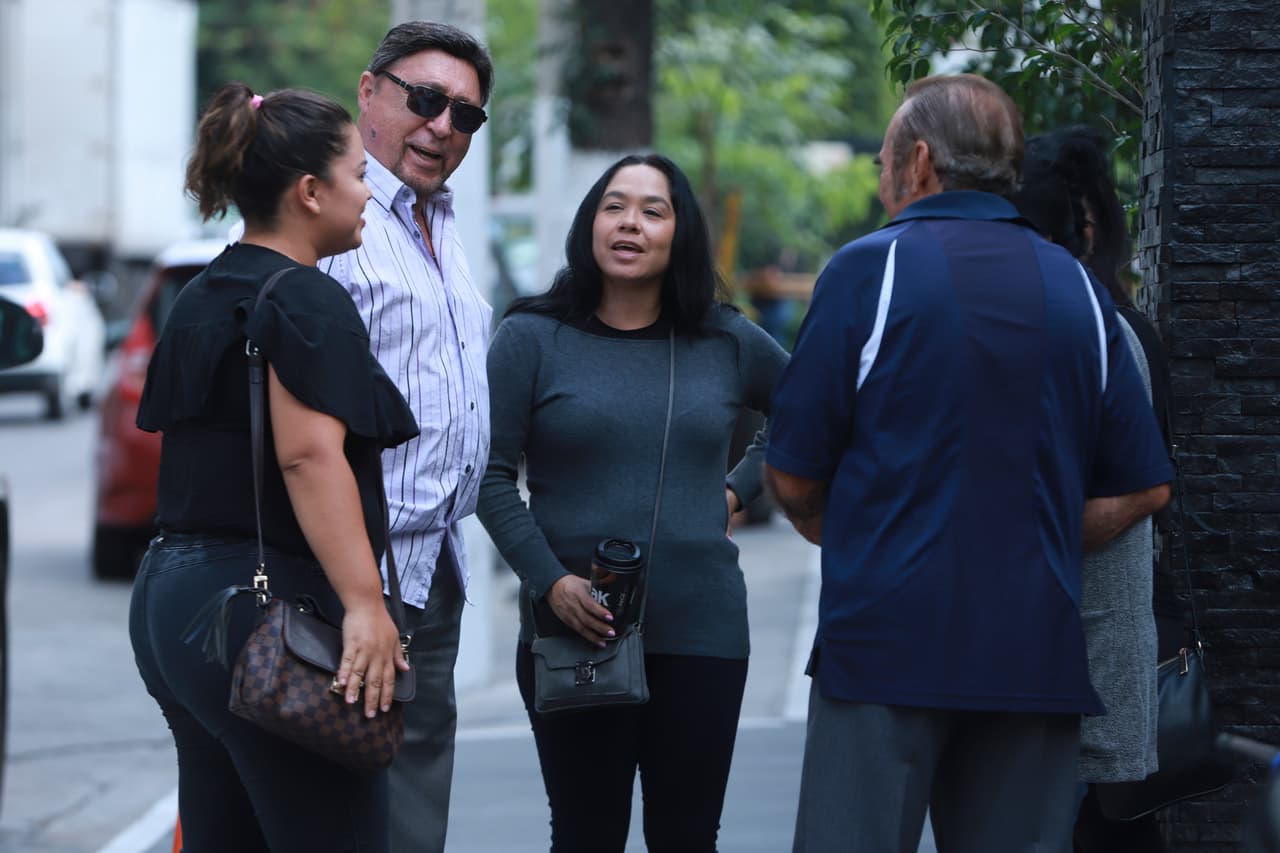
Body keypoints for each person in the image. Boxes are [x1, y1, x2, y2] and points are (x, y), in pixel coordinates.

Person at [764, 74, 1174, 853]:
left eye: (883, 160)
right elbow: (1143, 485)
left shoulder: (870, 270)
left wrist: (846, 527)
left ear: (919, 162)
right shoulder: (1080, 290)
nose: (881, 178)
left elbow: (792, 473)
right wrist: (1028, 533)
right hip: (1033, 656)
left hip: (884, 650)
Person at [128, 83, 419, 851]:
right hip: (259, 608)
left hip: (171, 603)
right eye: (359, 174)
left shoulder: (205, 290)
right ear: (310, 192)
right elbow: (307, 453)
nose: (369, 193)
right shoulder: (305, 296)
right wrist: (365, 605)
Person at [477, 153, 789, 852]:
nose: (630, 223)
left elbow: (808, 412)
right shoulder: (531, 338)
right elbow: (489, 478)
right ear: (590, 222)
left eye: (653, 211)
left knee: (687, 836)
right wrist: (551, 582)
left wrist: (737, 488)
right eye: (614, 206)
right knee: (585, 835)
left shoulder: (724, 338)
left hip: (703, 632)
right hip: (573, 634)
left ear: (681, 233)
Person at [316, 22, 494, 852]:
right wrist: (355, 591)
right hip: (351, 570)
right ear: (369, 91)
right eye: (425, 100)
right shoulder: (331, 213)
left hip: (433, 564)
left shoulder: (440, 219)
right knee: (335, 799)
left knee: (415, 802)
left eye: (465, 115)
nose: (442, 127)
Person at [1014, 128, 1179, 853]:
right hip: (1079, 658)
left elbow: (1147, 488)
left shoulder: (1102, 335)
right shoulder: (1100, 323)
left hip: (1082, 660)